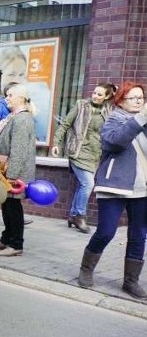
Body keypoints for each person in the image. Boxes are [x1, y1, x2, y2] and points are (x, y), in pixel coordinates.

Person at [77, 81, 147, 300]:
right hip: (114, 186)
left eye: (141, 98)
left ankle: (130, 281)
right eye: (133, 98)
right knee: (106, 231)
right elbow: (115, 142)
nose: (138, 101)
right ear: (120, 101)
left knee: (139, 235)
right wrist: (140, 118)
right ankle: (86, 269)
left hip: (142, 189)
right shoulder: (113, 120)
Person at [51, 83, 116, 233]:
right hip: (78, 152)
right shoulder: (81, 105)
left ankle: (73, 215)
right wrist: (56, 143)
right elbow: (65, 125)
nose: (95, 96)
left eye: (100, 94)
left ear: (107, 97)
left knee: (82, 185)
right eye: (94, 93)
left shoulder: (108, 110)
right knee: (88, 184)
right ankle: (80, 216)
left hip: (95, 155)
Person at [0, 83, 36, 257]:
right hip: (6, 170)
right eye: (6, 95)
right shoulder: (14, 117)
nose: (6, 98)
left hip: (15, 172)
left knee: (13, 208)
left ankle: (16, 244)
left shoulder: (22, 119)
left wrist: (12, 177)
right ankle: (6, 239)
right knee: (6, 205)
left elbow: (19, 149)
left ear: (21, 98)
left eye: (10, 95)